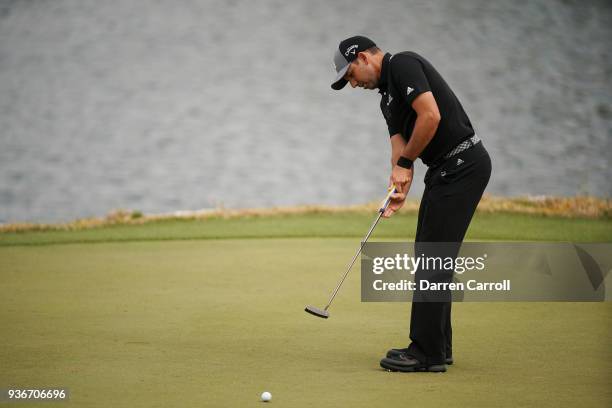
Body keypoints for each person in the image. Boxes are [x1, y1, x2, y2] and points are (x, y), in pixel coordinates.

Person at [331, 36, 492, 372]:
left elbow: (430, 116)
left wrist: (406, 165)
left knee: (433, 259)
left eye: (350, 75)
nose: (352, 84)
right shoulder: (386, 100)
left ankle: (425, 352)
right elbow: (399, 148)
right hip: (444, 171)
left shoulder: (403, 64)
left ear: (362, 57)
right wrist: (397, 186)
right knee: (430, 255)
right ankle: (439, 344)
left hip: (463, 165)